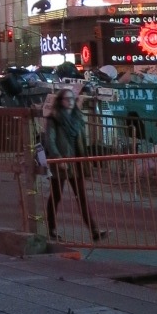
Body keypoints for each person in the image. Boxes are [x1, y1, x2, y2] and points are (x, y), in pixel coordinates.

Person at [43, 89, 105, 242]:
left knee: (81, 196)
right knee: (56, 196)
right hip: (61, 163)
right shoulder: (54, 119)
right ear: (60, 101)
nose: (70, 101)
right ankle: (51, 228)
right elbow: (50, 140)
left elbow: (81, 141)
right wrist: (58, 158)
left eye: (72, 98)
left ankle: (94, 230)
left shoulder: (77, 118)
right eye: (66, 99)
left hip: (76, 163)